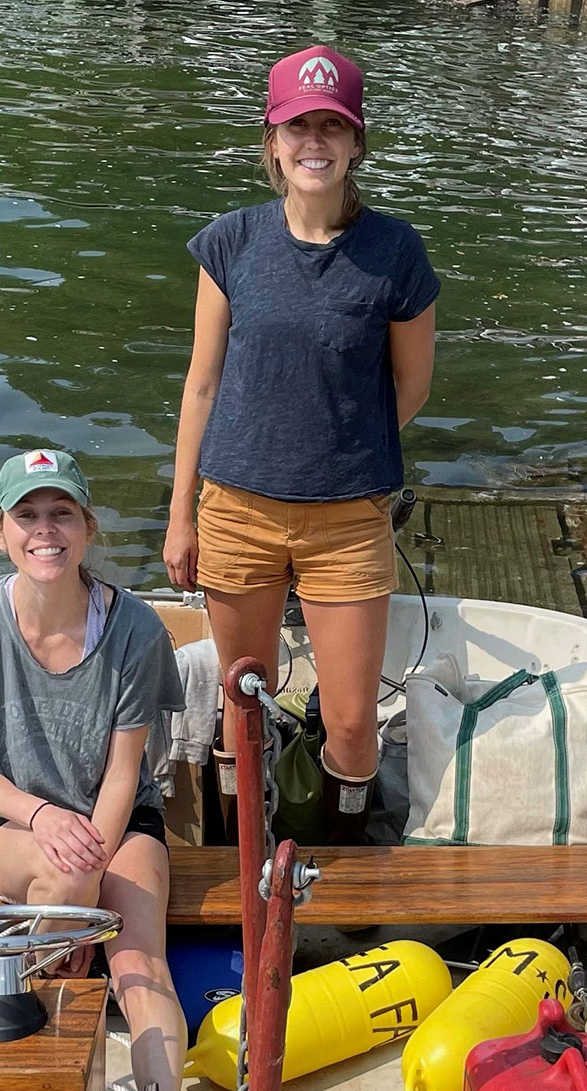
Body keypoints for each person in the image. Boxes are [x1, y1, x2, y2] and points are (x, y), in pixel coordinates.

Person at [163, 45, 439, 844]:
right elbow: (202, 387)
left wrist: (337, 447)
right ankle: (235, 844)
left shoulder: (395, 253)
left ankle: (338, 849)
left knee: (353, 722)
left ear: (356, 142)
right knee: (241, 700)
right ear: (273, 140)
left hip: (347, 521)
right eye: (297, 127)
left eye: (331, 126)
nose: (313, 142)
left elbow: (410, 387)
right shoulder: (231, 243)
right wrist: (182, 517)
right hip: (236, 511)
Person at [0, 448, 186, 1091]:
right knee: (64, 882)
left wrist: (85, 859)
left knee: (139, 968)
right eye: (27, 514)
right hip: (11, 824)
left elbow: (126, 774)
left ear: (88, 528)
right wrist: (43, 820)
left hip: (120, 822)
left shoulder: (136, 631)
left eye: (61, 513)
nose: (45, 529)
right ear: (0, 533)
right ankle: (44, 1083)